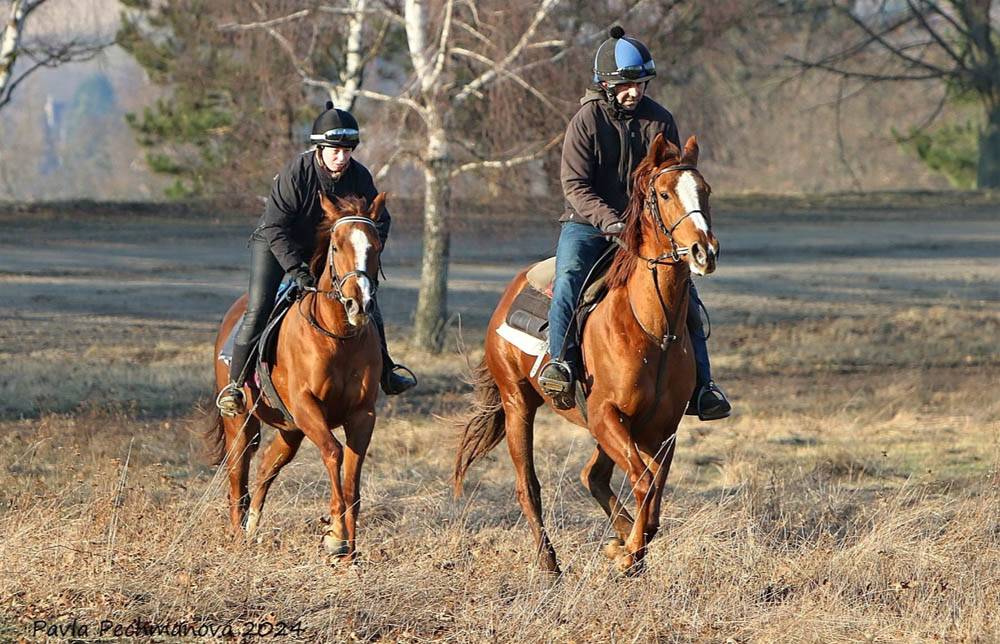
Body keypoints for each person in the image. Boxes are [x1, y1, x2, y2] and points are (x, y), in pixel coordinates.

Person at [537, 26, 731, 420]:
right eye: (626, 85)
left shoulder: (661, 121)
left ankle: (704, 387)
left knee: (686, 295)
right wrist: (610, 223)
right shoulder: (586, 121)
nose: (635, 92)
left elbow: (673, 177)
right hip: (590, 225)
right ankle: (560, 363)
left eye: (641, 84)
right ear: (605, 85)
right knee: (570, 276)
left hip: (647, 228)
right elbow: (574, 185)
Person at [216, 102, 416, 418]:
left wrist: (366, 257)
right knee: (259, 308)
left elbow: (379, 220)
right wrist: (296, 271)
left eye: (348, 150)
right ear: (319, 148)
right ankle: (235, 384)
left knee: (366, 302)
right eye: (335, 150)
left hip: (330, 249)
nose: (342, 157)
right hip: (275, 243)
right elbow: (275, 227)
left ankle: (387, 372)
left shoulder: (360, 176)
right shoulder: (296, 174)